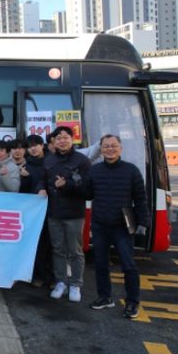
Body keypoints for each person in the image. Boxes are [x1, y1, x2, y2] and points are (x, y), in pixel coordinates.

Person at [86, 134, 149, 319]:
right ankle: (105, 297)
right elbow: (87, 194)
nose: (110, 149)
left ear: (120, 148)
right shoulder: (94, 170)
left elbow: (140, 198)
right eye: (106, 146)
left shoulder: (131, 170)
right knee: (100, 263)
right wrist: (76, 181)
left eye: (113, 145)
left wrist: (143, 222)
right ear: (101, 149)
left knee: (128, 265)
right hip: (100, 224)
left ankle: (132, 302)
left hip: (122, 226)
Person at [42, 126, 91, 302]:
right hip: (54, 213)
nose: (62, 141)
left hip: (74, 214)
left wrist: (67, 185)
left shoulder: (82, 161)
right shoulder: (49, 160)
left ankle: (76, 284)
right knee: (58, 250)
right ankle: (61, 282)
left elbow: (88, 190)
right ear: (54, 142)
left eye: (66, 137)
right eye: (58, 138)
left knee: (75, 251)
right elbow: (43, 180)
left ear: (72, 139)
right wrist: (41, 188)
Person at [25, 135, 53, 287]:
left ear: (43, 145)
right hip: (32, 211)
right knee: (37, 244)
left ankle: (53, 277)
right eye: (30, 146)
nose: (33, 148)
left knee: (51, 244)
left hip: (51, 208)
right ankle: (38, 275)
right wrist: (26, 178)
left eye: (36, 145)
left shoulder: (51, 161)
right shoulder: (26, 164)